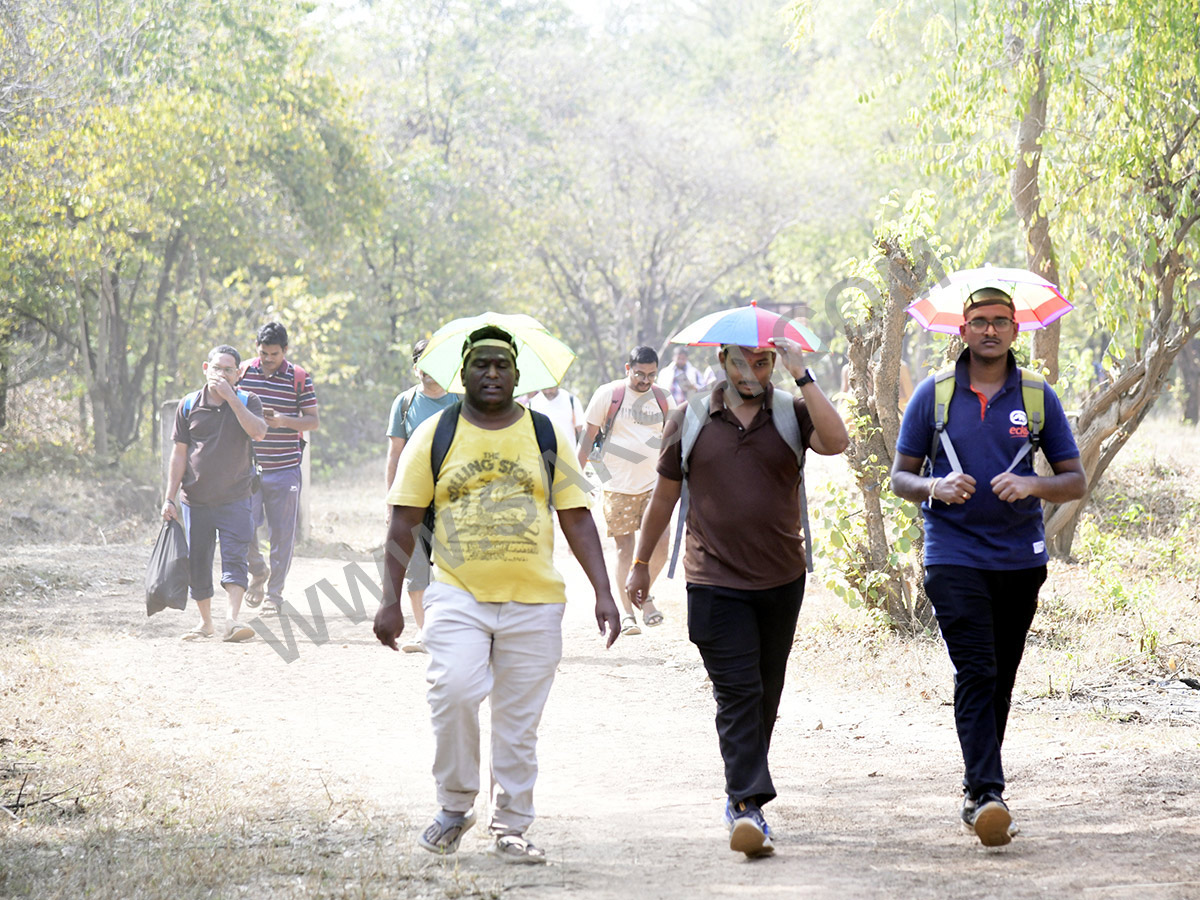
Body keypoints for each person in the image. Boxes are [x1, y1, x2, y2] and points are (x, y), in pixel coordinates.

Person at [373, 324, 621, 863]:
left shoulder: (544, 433)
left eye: (501, 364)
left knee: (516, 722)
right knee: (453, 692)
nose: (491, 373)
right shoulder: (434, 433)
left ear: (516, 374)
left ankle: (511, 825)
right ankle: (454, 806)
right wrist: (390, 600)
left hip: (535, 601)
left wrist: (604, 592)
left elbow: (576, 515)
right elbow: (403, 521)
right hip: (456, 594)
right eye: (480, 364)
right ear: (462, 374)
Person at [627, 338, 848, 858]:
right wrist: (640, 565)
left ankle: (744, 794)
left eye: (763, 362)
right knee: (739, 691)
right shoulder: (689, 418)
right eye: (741, 361)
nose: (751, 371)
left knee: (765, 692)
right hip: (712, 579)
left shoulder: (792, 412)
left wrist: (803, 375)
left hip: (781, 579)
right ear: (722, 361)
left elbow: (837, 442)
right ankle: (747, 805)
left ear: (774, 364)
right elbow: (664, 496)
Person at [890, 287, 1086, 847]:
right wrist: (936, 486)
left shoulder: (1036, 395)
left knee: (999, 675)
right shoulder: (934, 394)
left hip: (1019, 558)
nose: (991, 330)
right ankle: (988, 792)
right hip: (952, 554)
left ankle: (977, 790)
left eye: (1001, 321)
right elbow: (900, 477)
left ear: (1016, 331)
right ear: (963, 330)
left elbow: (1074, 480)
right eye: (980, 321)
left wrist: (1031, 484)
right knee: (977, 668)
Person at [163, 345, 268, 642]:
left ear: (238, 374)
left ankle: (232, 621)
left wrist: (232, 398)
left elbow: (259, 432)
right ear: (205, 369)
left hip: (236, 497)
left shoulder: (248, 401)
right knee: (198, 561)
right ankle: (205, 623)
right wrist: (169, 497)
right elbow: (179, 454)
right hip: (195, 500)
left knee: (235, 558)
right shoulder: (188, 405)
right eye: (216, 368)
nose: (221, 374)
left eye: (228, 370)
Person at [578, 346, 673, 634]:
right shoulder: (608, 394)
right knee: (625, 549)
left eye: (651, 375)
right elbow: (587, 439)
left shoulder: (662, 397)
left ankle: (641, 593)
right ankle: (629, 613)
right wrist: (576, 482)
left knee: (661, 547)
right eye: (640, 374)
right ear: (627, 368)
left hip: (654, 485)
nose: (645, 380)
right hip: (616, 485)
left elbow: (673, 440)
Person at [238, 322, 319, 616]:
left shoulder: (299, 378)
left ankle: (274, 595)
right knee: (242, 526)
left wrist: (284, 420)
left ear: (285, 350)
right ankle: (258, 570)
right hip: (248, 468)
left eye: (274, 354)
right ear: (256, 349)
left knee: (282, 535)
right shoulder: (243, 373)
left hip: (285, 468)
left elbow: (312, 421)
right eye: (264, 353)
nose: (268, 359)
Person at [385, 338, 459, 653]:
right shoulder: (405, 403)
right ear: (415, 368)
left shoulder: (461, 401)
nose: (428, 370)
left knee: (453, 567)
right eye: (422, 364)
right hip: (412, 498)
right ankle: (423, 632)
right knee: (416, 568)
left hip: (454, 498)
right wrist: (391, 501)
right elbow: (394, 455)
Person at [521, 385, 585, 456]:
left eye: (550, 387)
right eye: (544, 388)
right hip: (542, 458)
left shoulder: (571, 400)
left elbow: (581, 432)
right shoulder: (532, 404)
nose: (548, 391)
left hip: (569, 456)